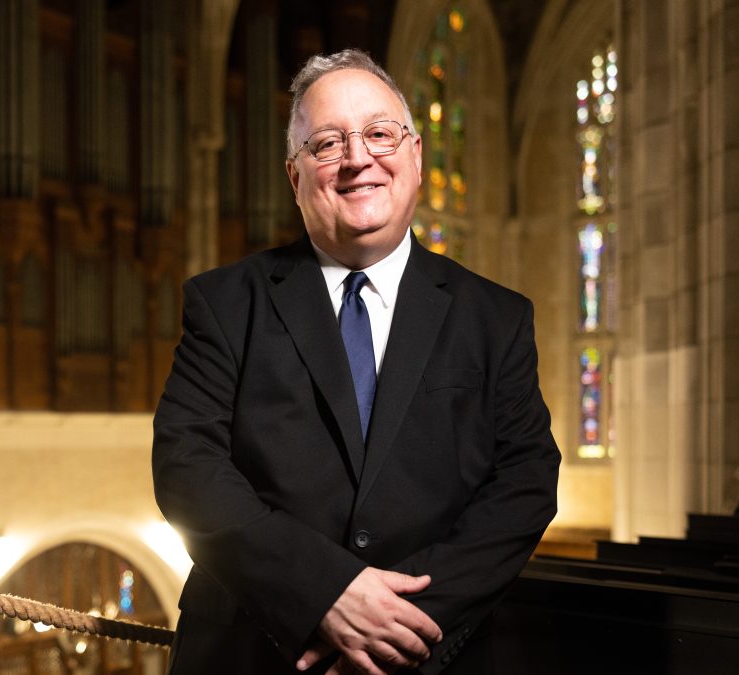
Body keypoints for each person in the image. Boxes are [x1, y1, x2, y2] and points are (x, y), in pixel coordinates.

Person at [151, 49, 560, 675]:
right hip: (251, 654)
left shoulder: (497, 318)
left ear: (415, 156)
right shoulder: (225, 303)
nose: (357, 158)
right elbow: (187, 467)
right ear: (295, 177)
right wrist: (323, 594)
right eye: (327, 144)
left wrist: (397, 627)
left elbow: (525, 483)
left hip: (428, 655)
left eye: (378, 134)